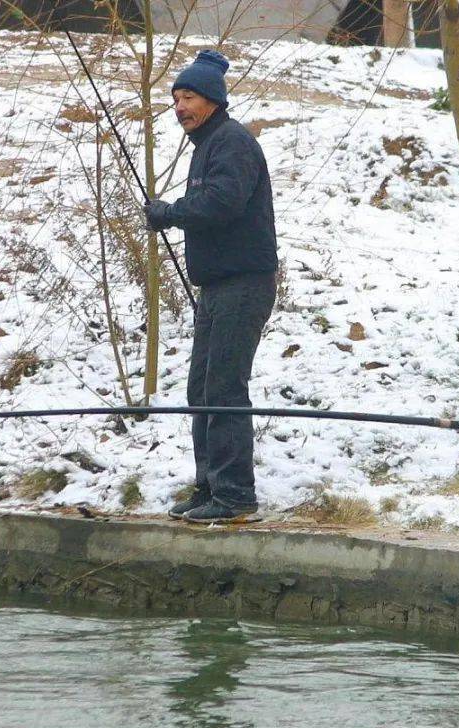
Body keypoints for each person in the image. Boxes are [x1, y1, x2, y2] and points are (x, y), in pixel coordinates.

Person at [143, 50, 278, 524]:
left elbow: (222, 203)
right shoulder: (207, 143)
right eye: (177, 98)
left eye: (190, 97)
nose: (180, 106)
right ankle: (210, 487)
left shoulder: (232, 142)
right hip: (217, 286)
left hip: (244, 283)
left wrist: (170, 212)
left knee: (223, 388)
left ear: (215, 101)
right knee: (201, 387)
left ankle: (237, 496)